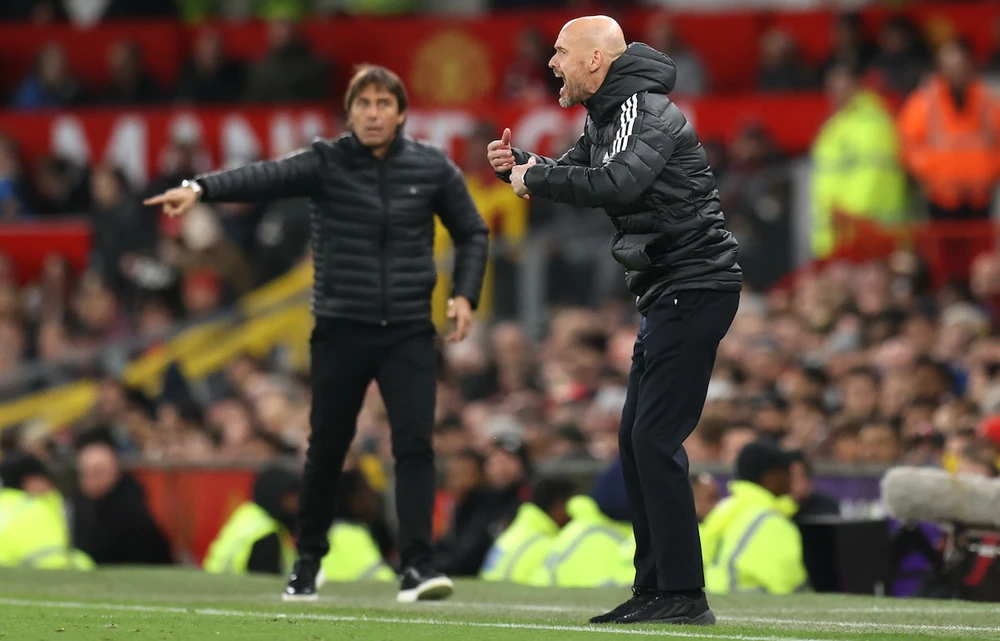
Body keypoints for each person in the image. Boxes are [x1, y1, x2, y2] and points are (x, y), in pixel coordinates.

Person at [144, 64, 489, 603]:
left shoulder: (432, 167)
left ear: (400, 113)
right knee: (327, 448)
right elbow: (263, 176)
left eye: (382, 104)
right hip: (340, 328)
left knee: (415, 445)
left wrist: (465, 293)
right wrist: (201, 188)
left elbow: (472, 231)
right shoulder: (326, 163)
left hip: (407, 331)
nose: (373, 114)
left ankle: (418, 565)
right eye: (363, 104)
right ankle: (307, 561)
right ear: (349, 114)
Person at [488, 16, 740, 625]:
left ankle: (683, 594)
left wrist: (535, 175)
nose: (552, 63)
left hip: (694, 285)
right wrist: (523, 163)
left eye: (560, 53)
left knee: (654, 440)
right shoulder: (610, 114)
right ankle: (656, 588)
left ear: (596, 60)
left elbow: (618, 183)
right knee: (635, 443)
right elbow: (579, 171)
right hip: (669, 292)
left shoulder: (639, 107)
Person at [700, 440, 808, 595]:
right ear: (769, 477)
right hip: (746, 607)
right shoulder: (769, 522)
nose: (790, 477)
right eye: (785, 470)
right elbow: (790, 585)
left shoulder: (725, 508)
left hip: (715, 601)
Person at [203, 466, 300, 576]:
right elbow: (267, 582)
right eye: (291, 497)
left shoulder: (247, 513)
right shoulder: (267, 535)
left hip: (214, 585)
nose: (295, 504)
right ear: (276, 495)